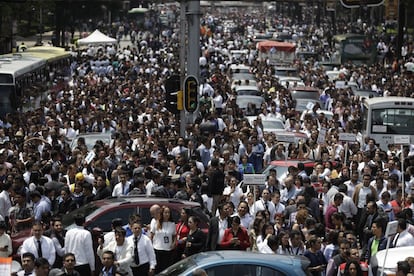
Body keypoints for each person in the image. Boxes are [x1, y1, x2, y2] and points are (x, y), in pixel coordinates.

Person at [150, 205, 176, 273]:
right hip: (157, 249)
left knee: (166, 270)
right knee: (157, 269)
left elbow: (174, 236)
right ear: (162, 213)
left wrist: (174, 243)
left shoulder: (172, 224)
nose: (167, 214)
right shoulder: (156, 222)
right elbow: (151, 235)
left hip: (168, 250)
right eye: (165, 212)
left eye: (168, 213)